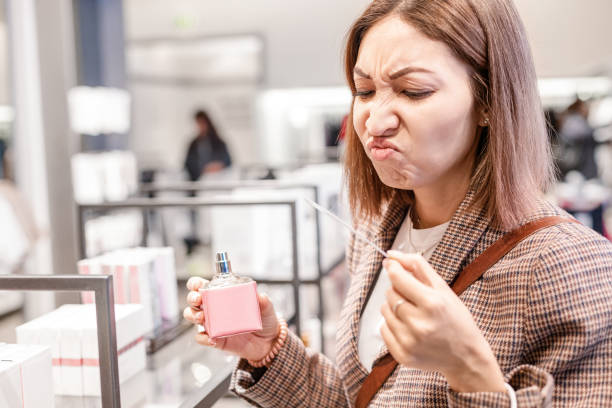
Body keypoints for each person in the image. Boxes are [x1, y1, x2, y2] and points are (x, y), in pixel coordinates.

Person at [184, 0, 612, 406]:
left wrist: (470, 373)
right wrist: (269, 351)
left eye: (413, 91)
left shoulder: (569, 265)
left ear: (488, 101)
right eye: (365, 90)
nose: (376, 120)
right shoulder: (376, 229)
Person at [184, 110, 231, 181]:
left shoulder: (218, 142)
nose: (201, 126)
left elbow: (228, 161)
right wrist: (202, 170)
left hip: (218, 180)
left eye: (202, 123)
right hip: (199, 181)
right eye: (198, 123)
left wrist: (219, 166)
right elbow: (188, 164)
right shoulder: (193, 144)